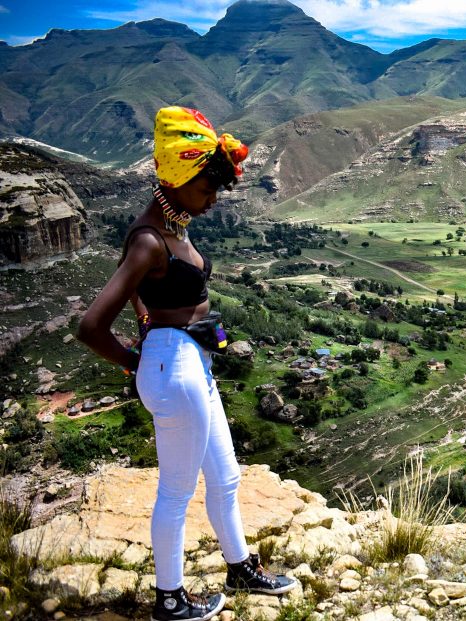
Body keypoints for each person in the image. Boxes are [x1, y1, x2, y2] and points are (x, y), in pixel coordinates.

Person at [77, 107, 297, 621]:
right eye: (205, 188)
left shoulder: (172, 221)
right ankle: (169, 599)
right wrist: (138, 361)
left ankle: (240, 568)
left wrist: (147, 318)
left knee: (225, 478)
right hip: (173, 369)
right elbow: (90, 327)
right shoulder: (150, 239)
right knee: (176, 491)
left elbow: (136, 291)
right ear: (177, 180)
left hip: (192, 362)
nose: (213, 198)